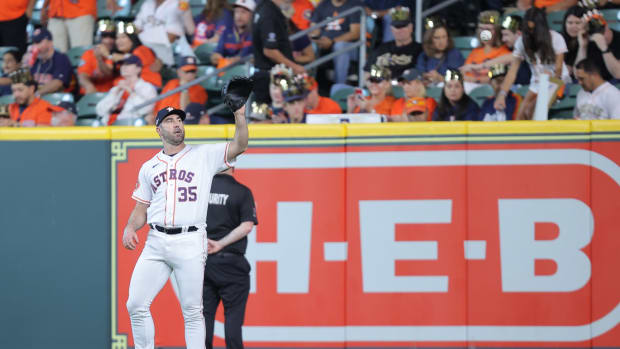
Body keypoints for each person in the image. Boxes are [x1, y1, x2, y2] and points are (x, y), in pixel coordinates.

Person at [122, 75, 250, 349]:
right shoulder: (149, 167)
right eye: (169, 120)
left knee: (193, 310)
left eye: (179, 120)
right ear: (158, 130)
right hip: (155, 242)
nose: (177, 123)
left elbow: (240, 145)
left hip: (190, 240)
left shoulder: (202, 156)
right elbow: (140, 208)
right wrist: (130, 227)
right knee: (135, 304)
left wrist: (239, 115)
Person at [203, 167, 258, 349]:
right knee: (233, 323)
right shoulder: (241, 192)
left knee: (202, 322)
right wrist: (221, 243)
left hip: (203, 264)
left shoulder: (200, 191)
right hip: (232, 265)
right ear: (233, 167)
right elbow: (247, 226)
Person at [494, 7, 571, 120]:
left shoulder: (555, 38)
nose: (530, 33)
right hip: (537, 82)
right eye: (527, 29)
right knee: (520, 115)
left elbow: (558, 70)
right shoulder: (522, 41)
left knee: (530, 109)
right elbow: (512, 72)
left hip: (558, 82)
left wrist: (549, 79)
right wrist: (502, 95)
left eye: (533, 29)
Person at [252, 0, 305, 104]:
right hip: (270, 77)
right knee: (270, 116)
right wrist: (294, 67)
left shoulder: (263, 6)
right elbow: (269, 50)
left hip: (269, 75)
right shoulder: (269, 13)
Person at [310, 0, 363, 85]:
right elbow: (314, 28)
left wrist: (332, 41)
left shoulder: (354, 4)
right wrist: (317, 39)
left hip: (352, 47)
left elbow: (355, 33)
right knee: (309, 46)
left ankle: (339, 88)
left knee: (340, 46)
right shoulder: (323, 4)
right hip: (324, 42)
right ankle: (308, 85)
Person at [95, 55, 158, 125]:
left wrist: (130, 91)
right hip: (108, 127)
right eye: (122, 64)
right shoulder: (116, 89)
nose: (124, 67)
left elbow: (145, 109)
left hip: (130, 128)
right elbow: (100, 110)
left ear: (138, 68)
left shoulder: (147, 87)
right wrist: (115, 93)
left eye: (128, 64)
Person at [365, 6, 422, 79]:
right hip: (381, 87)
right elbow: (367, 74)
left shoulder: (420, 49)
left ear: (411, 27)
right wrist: (385, 75)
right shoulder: (381, 49)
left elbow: (419, 74)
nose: (400, 30)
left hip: (407, 87)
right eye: (397, 27)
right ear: (392, 29)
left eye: (404, 26)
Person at [134, 0, 194, 66]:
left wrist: (143, 33)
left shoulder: (179, 3)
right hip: (149, 50)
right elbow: (136, 27)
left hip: (172, 53)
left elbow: (171, 37)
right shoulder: (147, 3)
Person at [153, 56, 207, 123]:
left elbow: (187, 114)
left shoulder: (200, 90)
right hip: (160, 121)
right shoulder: (171, 83)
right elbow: (159, 104)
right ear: (179, 72)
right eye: (187, 71)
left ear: (196, 72)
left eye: (192, 71)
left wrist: (184, 89)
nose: (190, 74)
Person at [463, 11, 511, 84]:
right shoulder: (476, 51)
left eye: (488, 29)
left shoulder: (504, 53)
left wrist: (475, 80)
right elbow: (464, 71)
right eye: (481, 28)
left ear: (497, 31)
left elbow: (496, 79)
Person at [111, 22, 163, 89]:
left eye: (123, 37)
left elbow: (135, 60)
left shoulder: (142, 49)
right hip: (134, 87)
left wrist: (119, 57)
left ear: (133, 38)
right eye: (117, 38)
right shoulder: (119, 56)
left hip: (149, 86)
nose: (119, 41)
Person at [416, 17, 465, 86]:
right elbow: (420, 72)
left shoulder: (454, 54)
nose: (441, 41)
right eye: (437, 38)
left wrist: (440, 78)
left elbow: (458, 80)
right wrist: (426, 76)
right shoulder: (424, 55)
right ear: (430, 39)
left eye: (444, 37)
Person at [575, 10, 620, 82]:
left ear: (607, 27)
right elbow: (577, 75)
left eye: (601, 31)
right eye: (593, 32)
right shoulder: (586, 40)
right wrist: (582, 47)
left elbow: (618, 74)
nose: (599, 36)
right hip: (594, 84)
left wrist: (604, 48)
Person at [210, 0, 255, 68]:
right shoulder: (227, 32)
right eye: (237, 11)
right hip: (228, 71)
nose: (239, 16)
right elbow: (216, 53)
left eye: (243, 12)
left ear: (252, 15)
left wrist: (236, 60)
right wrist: (216, 57)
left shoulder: (256, 33)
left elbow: (254, 58)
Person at [77, 19, 117, 95]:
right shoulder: (89, 53)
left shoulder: (115, 55)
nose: (108, 41)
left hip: (107, 95)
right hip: (89, 95)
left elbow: (108, 73)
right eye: (105, 36)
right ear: (99, 38)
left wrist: (99, 59)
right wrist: (89, 86)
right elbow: (82, 75)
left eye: (111, 37)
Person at [29, 27, 74, 95]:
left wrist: (36, 94)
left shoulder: (61, 58)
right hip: (39, 100)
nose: (35, 46)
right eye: (34, 43)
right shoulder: (35, 60)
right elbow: (27, 83)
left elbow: (58, 83)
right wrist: (26, 66)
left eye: (39, 42)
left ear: (50, 42)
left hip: (58, 100)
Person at [561, 6, 587, 79]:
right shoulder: (559, 38)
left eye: (578, 23)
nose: (573, 26)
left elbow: (581, 72)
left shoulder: (590, 41)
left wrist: (582, 46)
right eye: (570, 23)